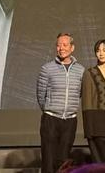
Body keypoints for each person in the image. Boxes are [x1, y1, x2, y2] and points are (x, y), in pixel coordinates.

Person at [37, 33, 86, 173]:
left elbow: (79, 93)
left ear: (72, 48)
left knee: (63, 162)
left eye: (65, 45)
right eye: (58, 45)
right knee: (48, 160)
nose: (61, 48)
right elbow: (40, 95)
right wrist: (50, 109)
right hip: (51, 120)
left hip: (70, 121)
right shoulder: (47, 68)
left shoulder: (81, 70)